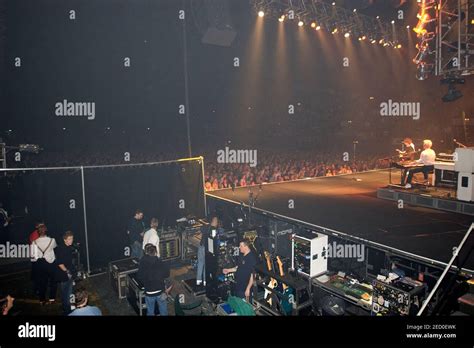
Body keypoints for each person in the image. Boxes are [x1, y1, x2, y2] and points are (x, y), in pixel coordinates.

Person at [137, 244, 172, 316]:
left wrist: (145, 282)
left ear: (146, 252)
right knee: (163, 310)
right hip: (161, 291)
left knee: (150, 312)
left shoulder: (142, 262)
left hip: (149, 292)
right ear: (156, 252)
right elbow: (167, 274)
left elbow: (139, 276)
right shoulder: (160, 262)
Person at [30, 224, 57, 305]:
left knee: (42, 282)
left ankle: (42, 300)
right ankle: (52, 298)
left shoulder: (34, 242)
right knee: (53, 281)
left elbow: (33, 256)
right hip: (50, 263)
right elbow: (55, 248)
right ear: (46, 231)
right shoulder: (52, 240)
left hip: (40, 263)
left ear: (38, 232)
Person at [197, 216, 223, 287]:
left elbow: (201, 229)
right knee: (206, 265)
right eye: (217, 222)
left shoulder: (206, 226)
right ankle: (205, 281)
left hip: (201, 246)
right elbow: (213, 240)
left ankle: (198, 281)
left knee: (200, 263)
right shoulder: (214, 230)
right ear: (216, 222)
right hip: (207, 248)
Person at [55, 231, 75, 315]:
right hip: (64, 275)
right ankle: (67, 311)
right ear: (64, 240)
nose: (71, 241)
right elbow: (60, 263)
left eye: (72, 239)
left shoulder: (69, 247)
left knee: (70, 292)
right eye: (69, 239)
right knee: (66, 294)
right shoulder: (60, 249)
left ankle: (71, 308)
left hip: (69, 273)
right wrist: (68, 272)